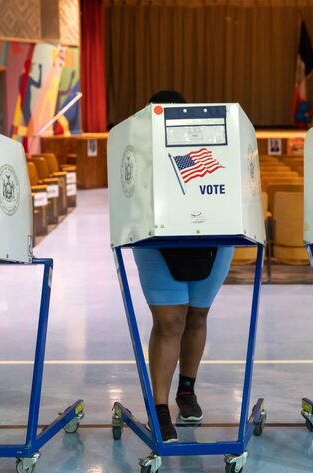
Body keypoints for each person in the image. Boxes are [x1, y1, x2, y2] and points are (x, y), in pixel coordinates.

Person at [133, 90, 234, 443]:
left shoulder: (208, 148)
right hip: (156, 241)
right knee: (169, 322)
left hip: (212, 239)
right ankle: (159, 408)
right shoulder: (138, 152)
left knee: (197, 316)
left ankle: (186, 391)